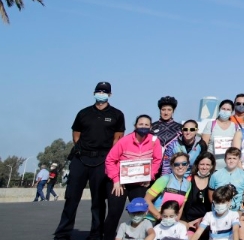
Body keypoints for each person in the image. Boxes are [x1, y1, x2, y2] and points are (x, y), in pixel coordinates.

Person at [54, 81, 126, 240]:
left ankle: (96, 233)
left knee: (98, 200)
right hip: (81, 158)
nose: (101, 93)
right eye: (99, 90)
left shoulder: (117, 114)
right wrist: (83, 148)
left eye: (104, 91)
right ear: (94, 93)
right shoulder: (83, 113)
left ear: (110, 95)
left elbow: (118, 138)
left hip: (102, 160)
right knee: (71, 197)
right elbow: (76, 135)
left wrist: (108, 157)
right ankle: (63, 232)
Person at [104, 114, 164, 240]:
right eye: (141, 124)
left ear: (151, 127)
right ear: (135, 126)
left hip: (139, 183)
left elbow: (157, 160)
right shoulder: (124, 141)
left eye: (146, 125)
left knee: (141, 211)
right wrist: (116, 180)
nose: (143, 127)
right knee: (114, 212)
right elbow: (110, 160)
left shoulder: (154, 141)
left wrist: (150, 176)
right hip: (120, 182)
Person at [146, 152, 192, 222]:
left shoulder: (188, 184)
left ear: (188, 165)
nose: (180, 166)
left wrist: (176, 221)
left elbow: (181, 207)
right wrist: (159, 217)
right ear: (171, 166)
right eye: (177, 164)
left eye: (184, 164)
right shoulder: (165, 179)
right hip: (154, 220)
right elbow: (146, 200)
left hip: (171, 222)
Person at [209, 147, 244, 212]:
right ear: (225, 159)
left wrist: (240, 212)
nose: (231, 161)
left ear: (239, 160)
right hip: (219, 211)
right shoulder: (215, 175)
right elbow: (211, 196)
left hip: (237, 212)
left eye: (234, 158)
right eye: (229, 158)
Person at [181, 152, 215, 234]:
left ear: (212, 166)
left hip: (207, 221)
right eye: (202, 164)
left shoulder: (214, 181)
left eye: (207, 165)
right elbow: (181, 203)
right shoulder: (189, 180)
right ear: (197, 165)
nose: (204, 167)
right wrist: (186, 223)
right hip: (188, 220)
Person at [202, 99, 238, 170]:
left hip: (229, 166)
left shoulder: (235, 127)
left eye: (228, 109)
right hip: (212, 165)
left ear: (232, 112)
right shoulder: (211, 124)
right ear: (219, 109)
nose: (225, 111)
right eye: (223, 109)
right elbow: (203, 144)